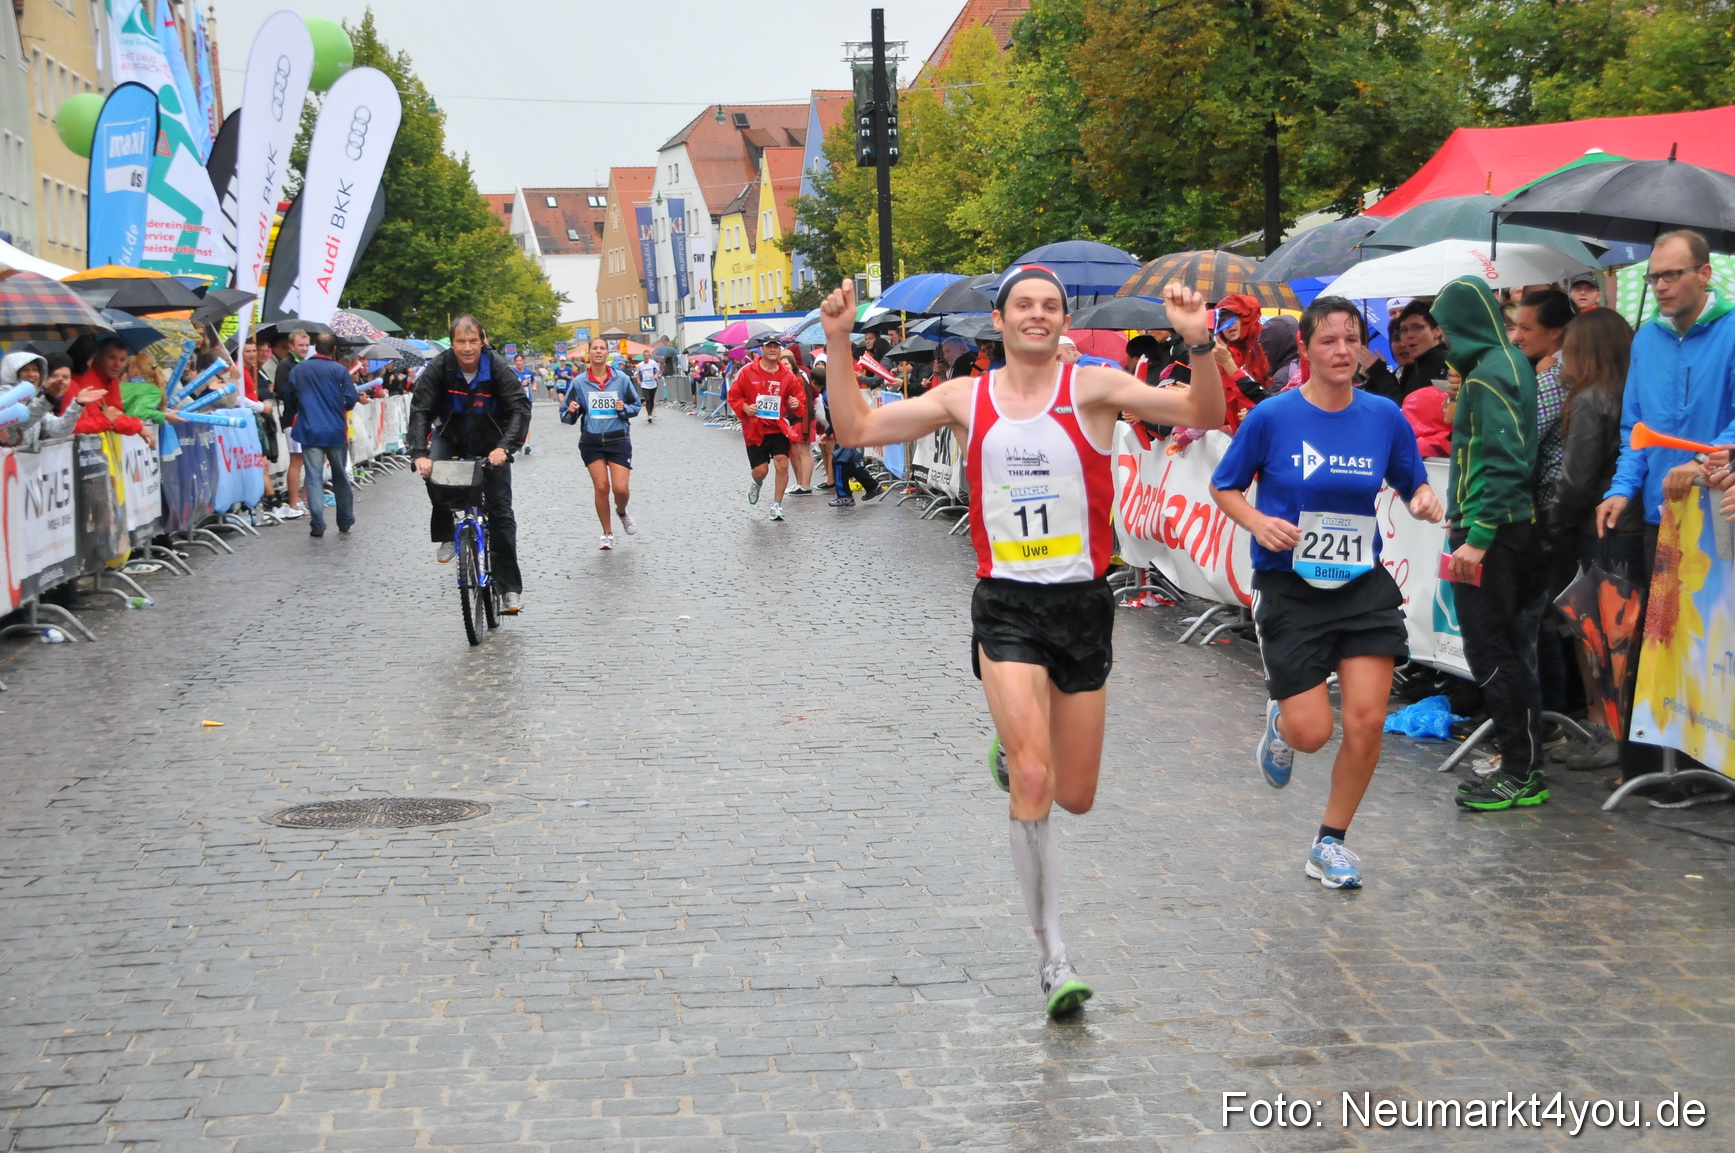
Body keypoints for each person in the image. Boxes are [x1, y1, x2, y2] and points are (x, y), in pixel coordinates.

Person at [820, 269, 1226, 1017]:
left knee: (1074, 795)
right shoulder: (961, 400)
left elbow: (1204, 409)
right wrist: (840, 341)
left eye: (1049, 306)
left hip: (1081, 607)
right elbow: (855, 431)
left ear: (1059, 319)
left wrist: (1198, 341)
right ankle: (1052, 955)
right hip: (1005, 606)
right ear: (1000, 320)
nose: (1037, 316)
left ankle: (1016, 746)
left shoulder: (1095, 389)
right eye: (1023, 306)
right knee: (1036, 780)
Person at [1209, 296, 1443, 889]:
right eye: (1328, 341)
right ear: (1306, 350)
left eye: (1351, 339)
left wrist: (1421, 498)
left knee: (1365, 722)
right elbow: (1225, 486)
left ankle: (1330, 843)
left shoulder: (1383, 415)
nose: (1342, 351)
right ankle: (1283, 724)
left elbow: (1411, 480)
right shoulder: (1272, 417)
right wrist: (1258, 523)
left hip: (1361, 583)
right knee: (1313, 732)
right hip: (1289, 584)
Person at [1594, 230, 1735, 789]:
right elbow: (1637, 429)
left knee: (1713, 643)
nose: (1661, 286)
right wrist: (1622, 488)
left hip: (1718, 512)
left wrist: (1705, 463)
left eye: (1673, 274)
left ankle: (1709, 767)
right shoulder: (1646, 340)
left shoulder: (1731, 329)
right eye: (1654, 276)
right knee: (1663, 641)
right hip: (1660, 517)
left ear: (1705, 274)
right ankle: (1659, 765)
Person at [1432, 276, 1549, 811]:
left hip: (1491, 531)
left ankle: (1519, 770)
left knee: (1491, 650)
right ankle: (1526, 767)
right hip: (1508, 528)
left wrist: (1476, 538)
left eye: (1448, 330)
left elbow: (1503, 463)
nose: (1444, 341)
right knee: (1507, 649)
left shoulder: (1489, 377)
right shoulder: (1511, 365)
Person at [408, 315, 531, 614]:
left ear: (482, 341)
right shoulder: (439, 367)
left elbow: (519, 409)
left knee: (501, 514)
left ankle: (510, 590)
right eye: (460, 342)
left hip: (493, 444)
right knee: (432, 473)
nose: (467, 348)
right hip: (451, 437)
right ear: (451, 344)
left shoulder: (499, 367)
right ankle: (447, 534)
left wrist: (505, 447)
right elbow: (421, 409)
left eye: (472, 341)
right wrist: (419, 453)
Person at [562, 336, 641, 549]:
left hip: (618, 439)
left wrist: (623, 408)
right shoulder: (579, 382)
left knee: (621, 489)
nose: (598, 351)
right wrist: (572, 411)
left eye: (602, 348)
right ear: (589, 353)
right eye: (594, 348)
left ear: (607, 353)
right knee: (601, 487)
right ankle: (607, 533)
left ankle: (622, 511)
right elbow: (565, 413)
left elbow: (636, 406)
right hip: (591, 442)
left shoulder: (621, 379)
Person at [281, 333, 360, 538]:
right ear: (334, 349)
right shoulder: (339, 370)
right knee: (340, 475)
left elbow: (289, 396)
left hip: (309, 429)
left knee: (314, 476)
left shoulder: (300, 369)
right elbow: (351, 399)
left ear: (316, 347)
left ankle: (317, 522)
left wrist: (303, 408)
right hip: (335, 429)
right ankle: (345, 518)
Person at [728, 334, 807, 521]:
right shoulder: (748, 372)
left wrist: (796, 403)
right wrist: (745, 408)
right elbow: (734, 396)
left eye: (776, 346)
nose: (773, 350)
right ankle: (757, 482)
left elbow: (798, 398)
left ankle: (777, 505)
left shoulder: (787, 375)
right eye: (769, 346)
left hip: (778, 427)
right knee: (761, 470)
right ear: (762, 349)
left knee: (782, 463)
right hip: (754, 428)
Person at [1512, 288, 1574, 511]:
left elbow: (1519, 438)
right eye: (1516, 327)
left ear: (1555, 332)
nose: (1516, 337)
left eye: (1526, 329)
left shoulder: (1554, 378)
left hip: (1553, 502)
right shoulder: (1561, 368)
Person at [66, 335, 152, 444]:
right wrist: (136, 426)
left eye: (122, 360)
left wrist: (129, 424)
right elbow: (106, 419)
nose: (117, 364)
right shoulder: (86, 379)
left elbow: (116, 414)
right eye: (112, 357)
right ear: (97, 357)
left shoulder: (113, 380)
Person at [513, 354, 537, 455]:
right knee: (517, 422)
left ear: (523, 361)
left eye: (520, 360)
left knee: (526, 421)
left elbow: (533, 380)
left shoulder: (528, 372)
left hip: (527, 400)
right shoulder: (512, 373)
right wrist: (519, 384)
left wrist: (534, 386)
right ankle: (519, 442)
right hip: (516, 400)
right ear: (514, 362)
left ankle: (526, 444)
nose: (519, 363)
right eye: (517, 361)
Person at [634, 354, 662, 425]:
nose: (646, 359)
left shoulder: (653, 363)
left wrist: (656, 375)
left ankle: (651, 411)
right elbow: (637, 373)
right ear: (643, 357)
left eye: (647, 357)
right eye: (645, 357)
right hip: (644, 384)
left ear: (649, 357)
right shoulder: (640, 365)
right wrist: (638, 380)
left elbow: (658, 370)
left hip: (653, 384)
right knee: (647, 399)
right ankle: (649, 415)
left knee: (651, 399)